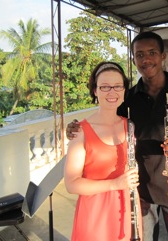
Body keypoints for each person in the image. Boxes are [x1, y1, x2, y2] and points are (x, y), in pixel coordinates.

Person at [66, 32, 168, 241]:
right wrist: (74, 127)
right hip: (141, 192)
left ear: (163, 56)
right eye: (139, 55)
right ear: (134, 59)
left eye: (152, 53)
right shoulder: (128, 97)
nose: (146, 59)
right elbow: (105, 119)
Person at [64, 61, 142, 241]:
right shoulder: (80, 131)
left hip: (127, 208)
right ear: (95, 91)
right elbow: (71, 184)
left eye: (117, 86)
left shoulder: (128, 125)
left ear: (124, 90)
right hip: (95, 216)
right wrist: (115, 184)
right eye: (105, 87)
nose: (112, 92)